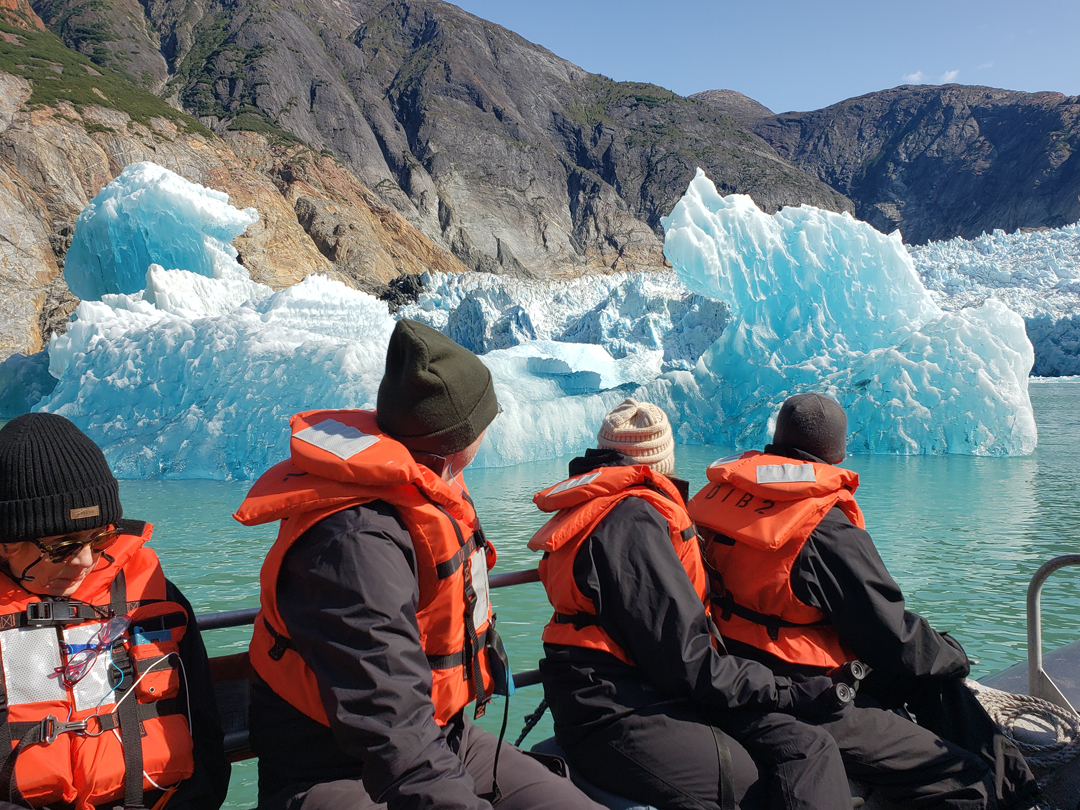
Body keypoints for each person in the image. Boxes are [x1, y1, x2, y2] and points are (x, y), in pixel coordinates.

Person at [236, 319, 605, 810]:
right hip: (336, 770)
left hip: (444, 738)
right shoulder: (354, 545)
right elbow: (392, 729)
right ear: (457, 438)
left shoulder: (426, 487)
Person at [688, 392, 1040, 810]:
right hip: (805, 693)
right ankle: (1009, 790)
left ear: (776, 440)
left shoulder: (718, 497)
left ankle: (1018, 785)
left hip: (731, 662)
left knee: (932, 678)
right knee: (967, 777)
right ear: (836, 453)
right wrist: (954, 654)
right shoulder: (823, 528)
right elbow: (891, 635)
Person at [531, 398, 853, 810]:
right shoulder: (631, 520)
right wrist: (787, 691)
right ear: (662, 460)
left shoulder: (613, 507)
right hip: (615, 711)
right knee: (763, 778)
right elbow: (687, 661)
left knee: (806, 747)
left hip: (628, 691)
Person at [0, 413, 229, 810]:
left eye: (101, 536)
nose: (85, 561)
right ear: (6, 542)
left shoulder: (153, 596)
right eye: (63, 545)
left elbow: (203, 725)